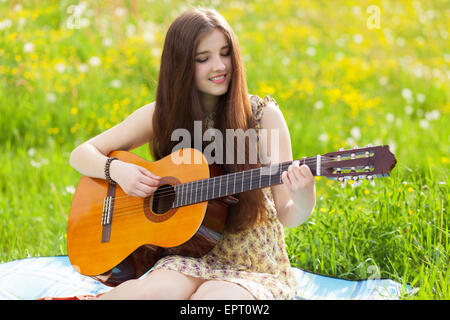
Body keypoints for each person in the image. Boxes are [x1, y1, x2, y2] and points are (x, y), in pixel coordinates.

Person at [69, 7, 316, 300]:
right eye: (203, 59)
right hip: (189, 258)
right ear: (181, 66)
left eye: (225, 53)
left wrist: (304, 194)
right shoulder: (163, 116)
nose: (219, 66)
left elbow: (289, 214)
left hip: (253, 266)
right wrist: (119, 171)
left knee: (211, 301)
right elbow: (81, 154)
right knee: (159, 292)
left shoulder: (263, 117)